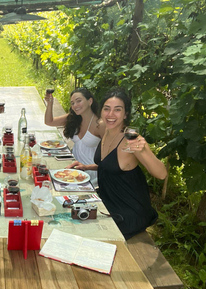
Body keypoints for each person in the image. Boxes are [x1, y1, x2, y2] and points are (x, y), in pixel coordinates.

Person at [69, 88, 167, 239]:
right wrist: (86, 167)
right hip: (107, 200)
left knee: (86, 237)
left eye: (117, 110)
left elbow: (161, 174)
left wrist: (144, 151)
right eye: (107, 109)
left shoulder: (131, 139)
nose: (111, 114)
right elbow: (111, 167)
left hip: (128, 211)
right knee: (70, 215)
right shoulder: (107, 131)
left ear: (125, 114)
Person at [44, 88, 105, 186]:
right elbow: (49, 121)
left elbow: (110, 159)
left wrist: (87, 167)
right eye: (72, 103)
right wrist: (50, 103)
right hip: (73, 167)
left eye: (78, 101)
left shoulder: (100, 124)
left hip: (91, 173)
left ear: (90, 101)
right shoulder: (74, 118)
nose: (75, 105)